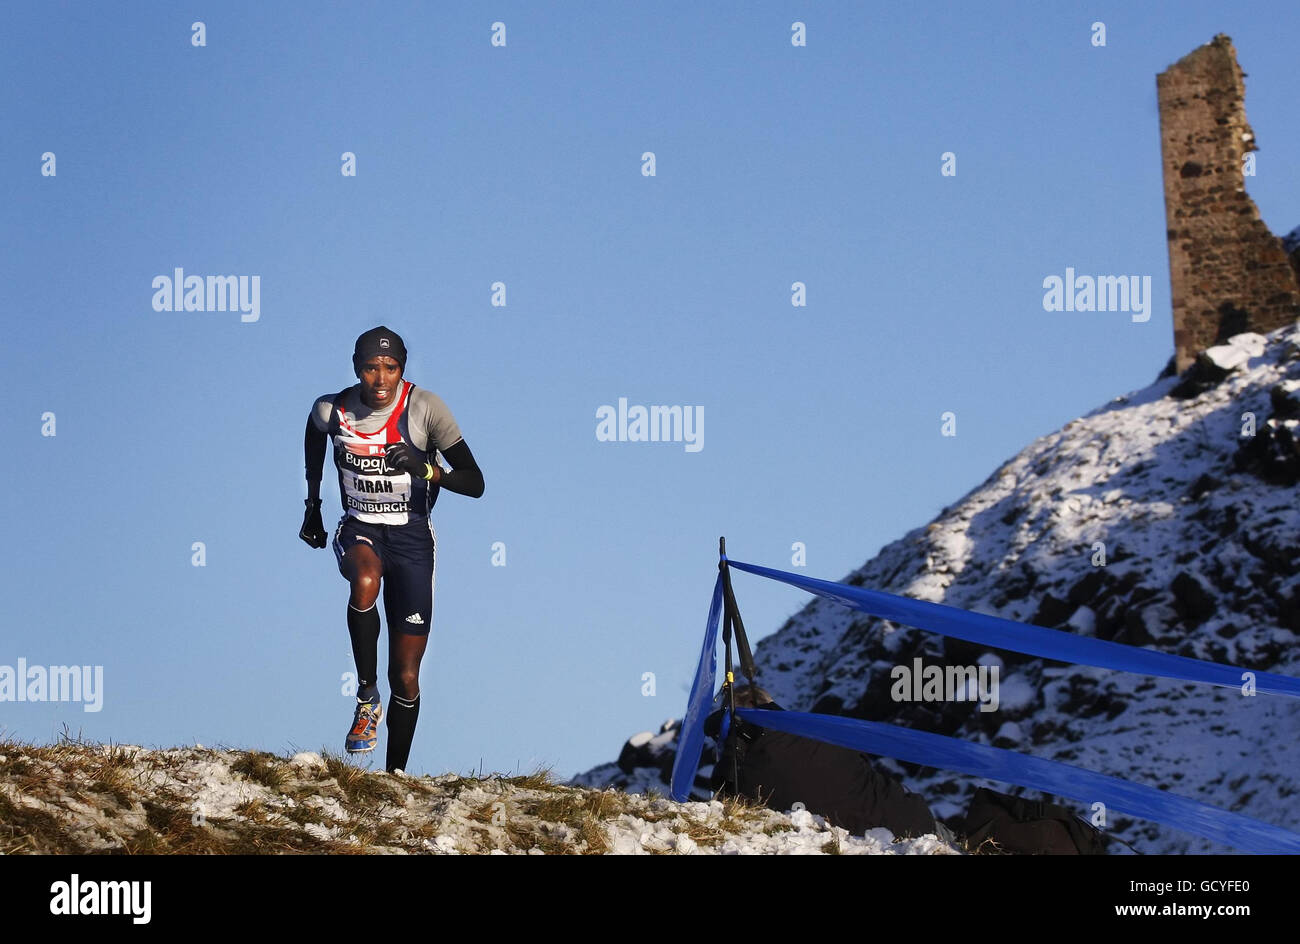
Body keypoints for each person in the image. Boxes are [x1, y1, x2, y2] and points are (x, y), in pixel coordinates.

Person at [298, 326, 484, 773]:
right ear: (356, 368)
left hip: (413, 539)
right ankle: (366, 696)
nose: (380, 379)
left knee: (406, 676)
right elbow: (313, 432)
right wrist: (312, 506)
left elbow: (475, 483)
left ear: (402, 369)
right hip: (361, 528)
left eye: (390, 368)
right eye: (370, 368)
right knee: (364, 582)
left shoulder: (425, 408)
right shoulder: (333, 409)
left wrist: (425, 469)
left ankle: (395, 775)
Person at [706, 685, 952, 843]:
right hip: (914, 822)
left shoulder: (737, 774)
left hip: (876, 839)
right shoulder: (822, 732)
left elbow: (723, 810)